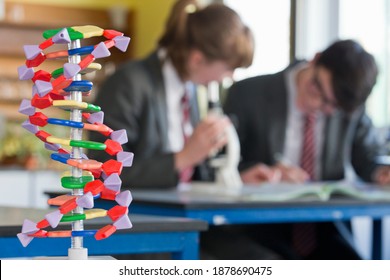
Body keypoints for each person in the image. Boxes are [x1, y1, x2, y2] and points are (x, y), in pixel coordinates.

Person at [223, 39, 390, 259]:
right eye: (317, 89)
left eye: (333, 107)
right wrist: (254, 173)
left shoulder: (348, 106)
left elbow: (367, 156)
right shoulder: (248, 94)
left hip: (324, 231)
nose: (320, 106)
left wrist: (381, 172)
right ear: (315, 59)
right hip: (258, 229)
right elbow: (218, 164)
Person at [88, 0, 254, 189]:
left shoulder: (189, 90)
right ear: (197, 60)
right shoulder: (127, 84)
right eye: (229, 69)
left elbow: (187, 176)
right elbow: (106, 171)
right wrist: (184, 157)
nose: (230, 77)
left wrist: (236, 177)